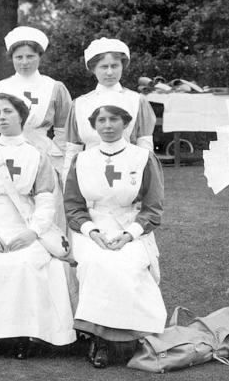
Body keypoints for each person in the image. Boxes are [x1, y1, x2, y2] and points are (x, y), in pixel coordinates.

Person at [0, 93, 75, 358]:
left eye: (8, 112)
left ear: (21, 117)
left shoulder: (37, 156)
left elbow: (46, 202)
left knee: (26, 264)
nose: (2, 117)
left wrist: (32, 233)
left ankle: (27, 333)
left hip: (25, 223)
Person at [64, 104, 166, 369]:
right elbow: (73, 206)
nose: (107, 125)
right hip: (93, 228)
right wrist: (91, 231)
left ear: (126, 124)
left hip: (131, 227)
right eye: (101, 120)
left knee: (126, 265)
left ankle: (131, 336)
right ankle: (100, 339)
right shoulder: (83, 159)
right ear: (94, 125)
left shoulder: (142, 157)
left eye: (114, 120)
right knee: (96, 264)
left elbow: (153, 208)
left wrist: (129, 235)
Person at [64, 38, 156, 177]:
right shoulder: (80, 104)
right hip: (89, 173)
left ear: (122, 67)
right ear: (93, 68)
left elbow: (145, 147)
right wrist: (67, 181)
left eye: (114, 66)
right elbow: (72, 150)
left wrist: (146, 179)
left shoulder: (136, 101)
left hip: (128, 172)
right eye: (104, 67)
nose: (109, 72)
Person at [0, 26, 73, 164]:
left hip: (44, 155)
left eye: (30, 56)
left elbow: (64, 131)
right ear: (11, 58)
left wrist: (58, 159)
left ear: (39, 56)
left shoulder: (55, 88)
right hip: (6, 156)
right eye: (19, 57)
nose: (24, 62)